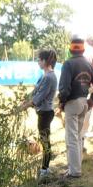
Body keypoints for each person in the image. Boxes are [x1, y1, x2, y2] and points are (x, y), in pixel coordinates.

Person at [58, 36, 93, 179]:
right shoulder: (88, 64)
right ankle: (76, 167)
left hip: (72, 103)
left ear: (70, 49)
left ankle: (74, 171)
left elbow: (64, 89)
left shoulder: (68, 64)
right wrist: (92, 99)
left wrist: (61, 102)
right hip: (84, 103)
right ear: (83, 49)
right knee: (78, 136)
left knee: (71, 138)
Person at [29, 49, 58, 179]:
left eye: (39, 60)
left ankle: (44, 170)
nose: (38, 62)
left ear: (45, 61)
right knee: (44, 140)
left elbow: (38, 98)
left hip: (45, 113)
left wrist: (25, 106)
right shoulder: (45, 75)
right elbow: (35, 92)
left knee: (45, 141)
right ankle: (45, 168)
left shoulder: (49, 77)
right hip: (43, 112)